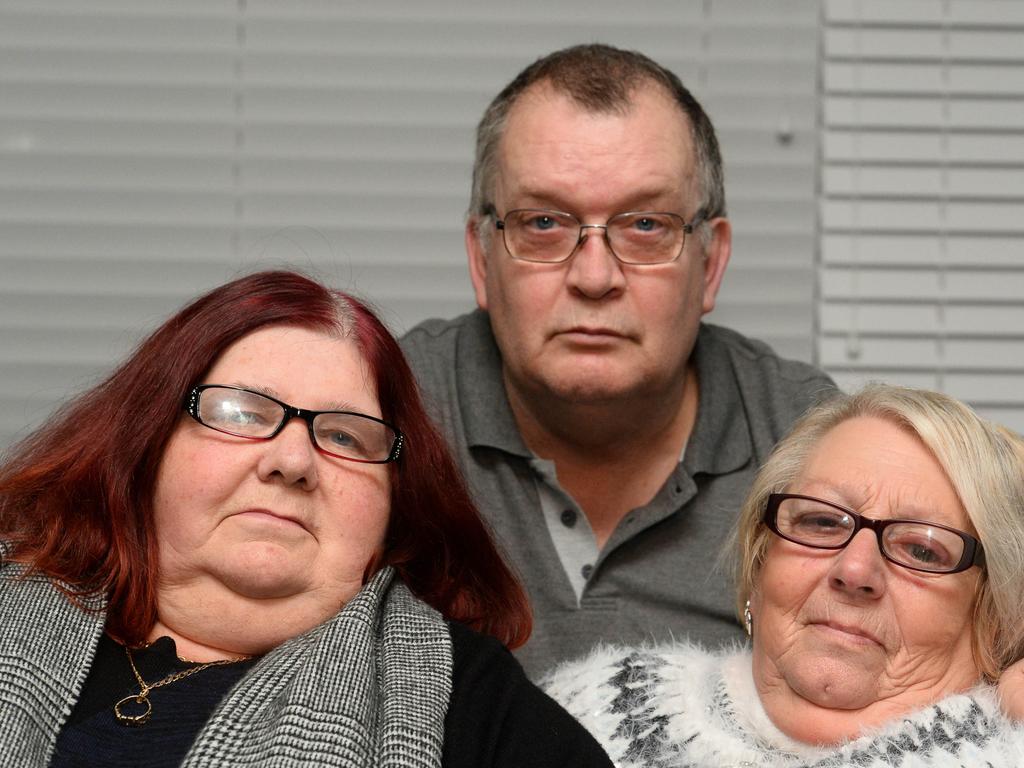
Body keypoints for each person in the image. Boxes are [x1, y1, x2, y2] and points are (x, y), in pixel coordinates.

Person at [0, 270, 613, 768]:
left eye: (346, 436)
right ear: (148, 445)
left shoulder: (472, 707)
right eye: (241, 412)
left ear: (394, 505)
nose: (292, 461)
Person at [400, 42, 837, 677]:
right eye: (544, 222)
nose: (595, 277)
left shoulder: (812, 445)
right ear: (481, 259)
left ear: (710, 264)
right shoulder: (383, 416)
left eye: (646, 226)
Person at [543, 384, 1024, 766]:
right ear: (759, 562)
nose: (855, 570)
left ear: (994, 615)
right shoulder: (589, 708)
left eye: (921, 549)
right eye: (820, 521)